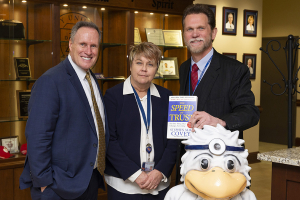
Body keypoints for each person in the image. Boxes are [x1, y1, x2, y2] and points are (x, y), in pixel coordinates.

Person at [19, 21, 109, 200]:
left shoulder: (91, 79)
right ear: (70, 44)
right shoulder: (51, 81)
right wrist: (44, 184)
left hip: (88, 180)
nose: (88, 51)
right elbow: (38, 136)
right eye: (83, 44)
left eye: (93, 46)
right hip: (58, 187)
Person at [175, 4, 260, 184]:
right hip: (188, 163)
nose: (194, 34)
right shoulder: (183, 69)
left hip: (220, 166)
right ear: (184, 34)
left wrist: (219, 122)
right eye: (189, 29)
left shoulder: (235, 70)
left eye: (200, 28)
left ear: (213, 33)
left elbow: (250, 113)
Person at [104, 42, 177, 200]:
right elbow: (109, 141)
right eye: (139, 63)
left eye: (150, 64)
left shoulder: (167, 97)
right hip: (123, 186)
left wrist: (160, 171)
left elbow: (174, 140)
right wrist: (136, 174)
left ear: (156, 69)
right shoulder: (112, 96)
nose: (144, 68)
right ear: (130, 66)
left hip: (159, 184)